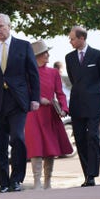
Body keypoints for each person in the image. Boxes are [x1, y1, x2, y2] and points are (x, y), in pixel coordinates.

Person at [0, 13, 40, 193]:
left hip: (18, 101)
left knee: (17, 138)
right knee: (0, 143)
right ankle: (3, 182)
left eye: (1, 26)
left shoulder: (23, 46)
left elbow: (33, 74)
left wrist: (35, 98)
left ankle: (16, 179)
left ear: (9, 26)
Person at [25, 40, 73, 189]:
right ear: (37, 56)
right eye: (45, 52)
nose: (48, 54)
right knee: (36, 147)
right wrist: (38, 99)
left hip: (50, 114)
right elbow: (23, 92)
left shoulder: (53, 73)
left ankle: (48, 181)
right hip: (33, 114)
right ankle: (37, 181)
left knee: (50, 148)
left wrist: (64, 108)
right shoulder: (27, 72)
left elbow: (60, 93)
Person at [65, 25, 100, 187]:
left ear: (82, 38)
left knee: (93, 136)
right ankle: (87, 175)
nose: (70, 41)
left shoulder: (98, 55)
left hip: (95, 104)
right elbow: (73, 79)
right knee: (80, 139)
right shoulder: (69, 58)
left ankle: (92, 173)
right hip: (77, 104)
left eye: (72, 38)